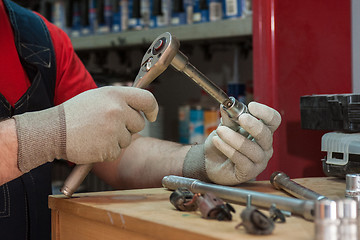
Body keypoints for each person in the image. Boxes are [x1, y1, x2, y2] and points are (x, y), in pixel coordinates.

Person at [0, 0, 282, 239]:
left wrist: (201, 162)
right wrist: (46, 135)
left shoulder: (39, 40)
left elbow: (118, 154)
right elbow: (59, 131)